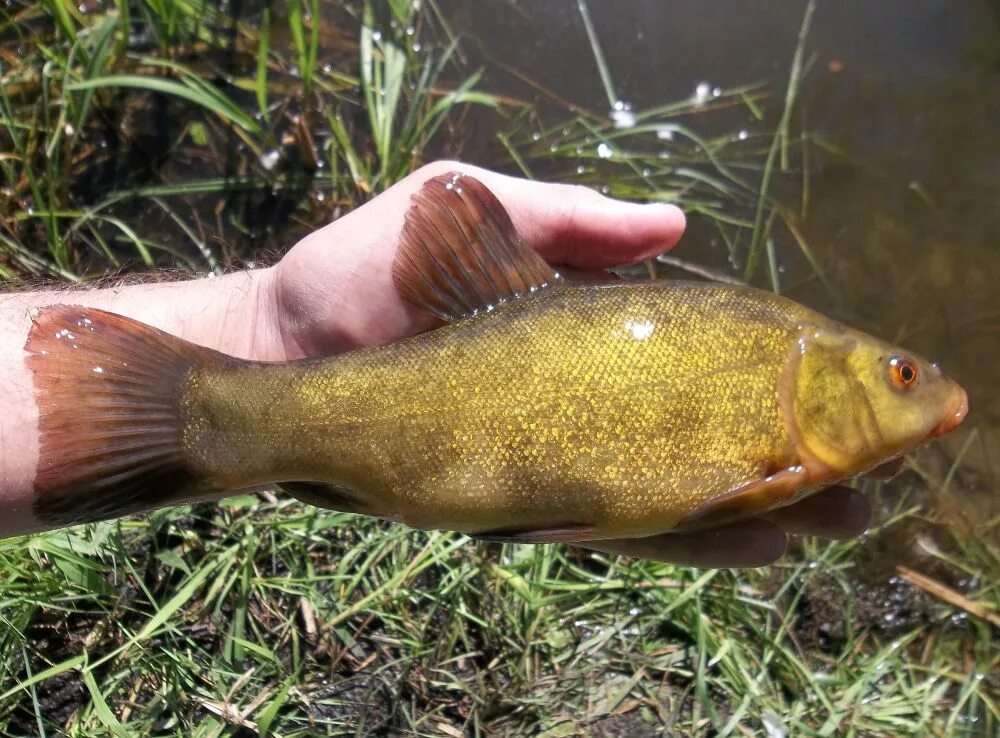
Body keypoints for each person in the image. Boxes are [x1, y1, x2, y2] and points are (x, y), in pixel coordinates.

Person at [0, 162, 870, 566]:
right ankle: (217, 417)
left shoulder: (779, 372)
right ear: (830, 376)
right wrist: (272, 324)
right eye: (900, 376)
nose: (926, 396)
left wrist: (266, 323)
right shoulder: (785, 386)